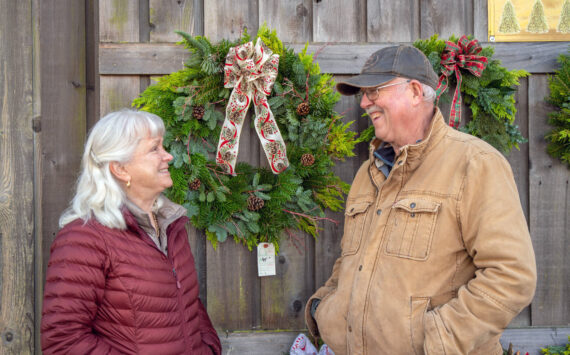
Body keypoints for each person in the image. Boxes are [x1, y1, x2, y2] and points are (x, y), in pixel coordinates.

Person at [305, 45, 537, 355]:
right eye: (363, 94)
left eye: (374, 91)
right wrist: (325, 308)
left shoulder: (475, 163)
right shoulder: (367, 172)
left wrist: (441, 339)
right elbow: (352, 260)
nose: (364, 102)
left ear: (415, 92)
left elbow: (511, 276)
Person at [41, 109, 221, 354]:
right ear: (120, 169)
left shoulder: (170, 225)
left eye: (163, 146)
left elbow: (187, 303)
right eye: (154, 149)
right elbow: (63, 341)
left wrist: (209, 347)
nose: (167, 156)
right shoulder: (84, 239)